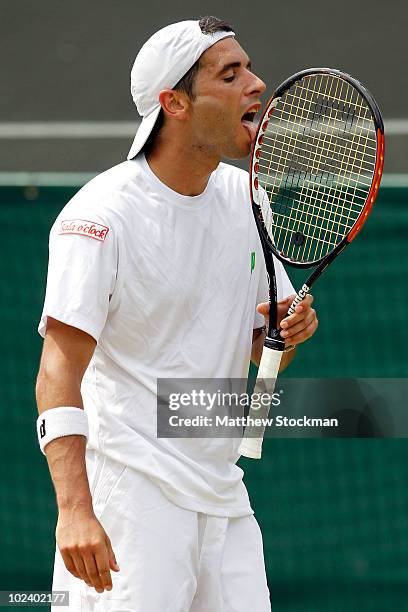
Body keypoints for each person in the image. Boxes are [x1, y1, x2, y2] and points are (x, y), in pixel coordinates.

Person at [35, 17, 318, 612]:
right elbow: (57, 374)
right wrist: (74, 512)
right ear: (175, 103)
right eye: (230, 73)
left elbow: (261, 346)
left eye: (250, 68)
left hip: (222, 494)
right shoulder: (101, 215)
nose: (257, 84)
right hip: (129, 497)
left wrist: (282, 336)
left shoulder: (247, 197)